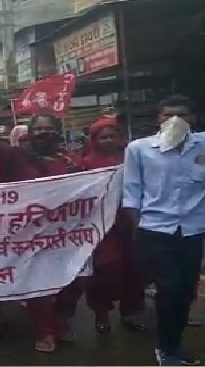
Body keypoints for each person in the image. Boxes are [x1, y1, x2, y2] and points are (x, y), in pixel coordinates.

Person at [0, 96, 81, 352]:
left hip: (65, 233)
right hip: (29, 234)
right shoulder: (17, 158)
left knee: (76, 281)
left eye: (48, 129)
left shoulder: (68, 161)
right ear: (30, 133)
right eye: (39, 129)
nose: (44, 133)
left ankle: (62, 319)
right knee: (38, 283)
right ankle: (46, 331)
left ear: (56, 132)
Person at [122, 95, 205, 366]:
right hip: (156, 230)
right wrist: (138, 227)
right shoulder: (139, 149)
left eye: (183, 115)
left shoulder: (202, 145)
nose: (176, 121)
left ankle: (175, 341)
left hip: (193, 231)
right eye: (168, 115)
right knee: (170, 288)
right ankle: (165, 348)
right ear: (158, 119)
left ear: (193, 119)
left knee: (186, 291)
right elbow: (132, 191)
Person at [79, 116, 146, 334]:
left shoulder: (134, 159)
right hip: (102, 227)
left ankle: (130, 312)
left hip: (131, 222)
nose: (108, 141)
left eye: (112, 136)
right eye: (103, 137)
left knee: (133, 270)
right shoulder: (85, 164)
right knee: (105, 272)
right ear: (94, 140)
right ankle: (101, 313)